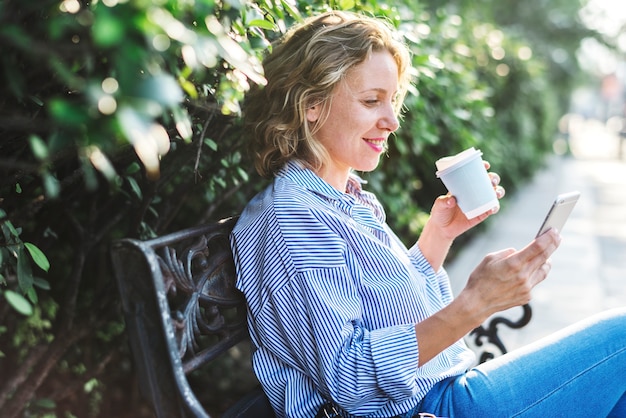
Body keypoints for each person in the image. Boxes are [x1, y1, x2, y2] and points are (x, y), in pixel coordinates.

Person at [229, 10, 626, 418]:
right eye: (371, 101)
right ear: (311, 104)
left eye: (392, 100)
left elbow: (387, 313)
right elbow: (348, 378)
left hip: (443, 391)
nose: (391, 121)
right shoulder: (292, 217)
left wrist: (438, 238)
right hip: (430, 408)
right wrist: (476, 303)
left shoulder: (342, 198)